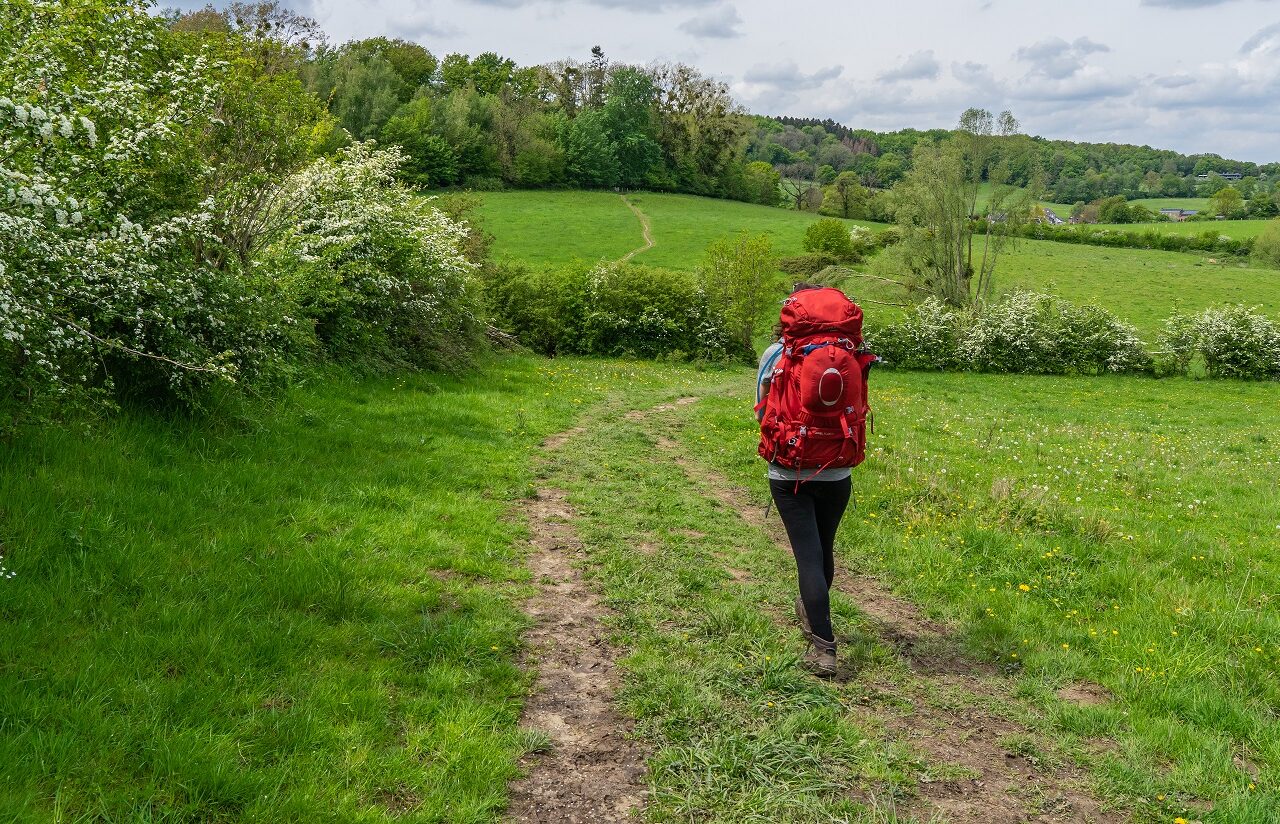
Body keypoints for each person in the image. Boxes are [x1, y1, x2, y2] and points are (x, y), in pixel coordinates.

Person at [755, 283, 858, 678]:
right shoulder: (848, 355)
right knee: (823, 549)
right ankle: (814, 615)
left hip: (789, 470)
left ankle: (824, 648)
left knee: (807, 556)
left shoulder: (777, 355)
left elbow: (762, 411)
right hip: (837, 469)